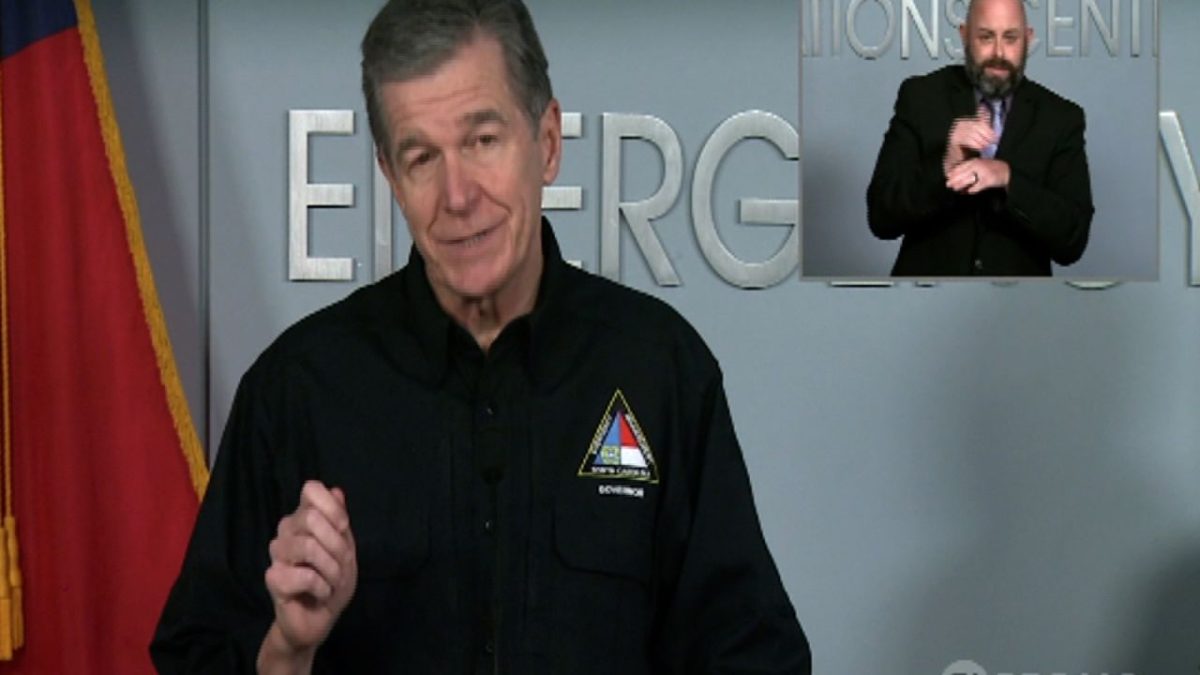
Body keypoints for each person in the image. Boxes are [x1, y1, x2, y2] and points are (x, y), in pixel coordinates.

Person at [150, 1, 811, 672]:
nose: (457, 194)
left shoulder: (660, 369)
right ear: (389, 174)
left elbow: (755, 658)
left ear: (546, 141)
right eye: (422, 156)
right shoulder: (297, 390)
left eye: (482, 140)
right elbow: (192, 656)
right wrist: (287, 648)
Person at [866, 0, 1094, 277]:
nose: (999, 52)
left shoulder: (1061, 117)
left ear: (1028, 39)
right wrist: (945, 165)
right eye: (986, 37)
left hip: (1013, 309)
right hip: (921, 300)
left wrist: (1008, 178)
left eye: (1011, 38)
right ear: (964, 35)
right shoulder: (921, 96)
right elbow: (881, 217)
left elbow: (1073, 240)